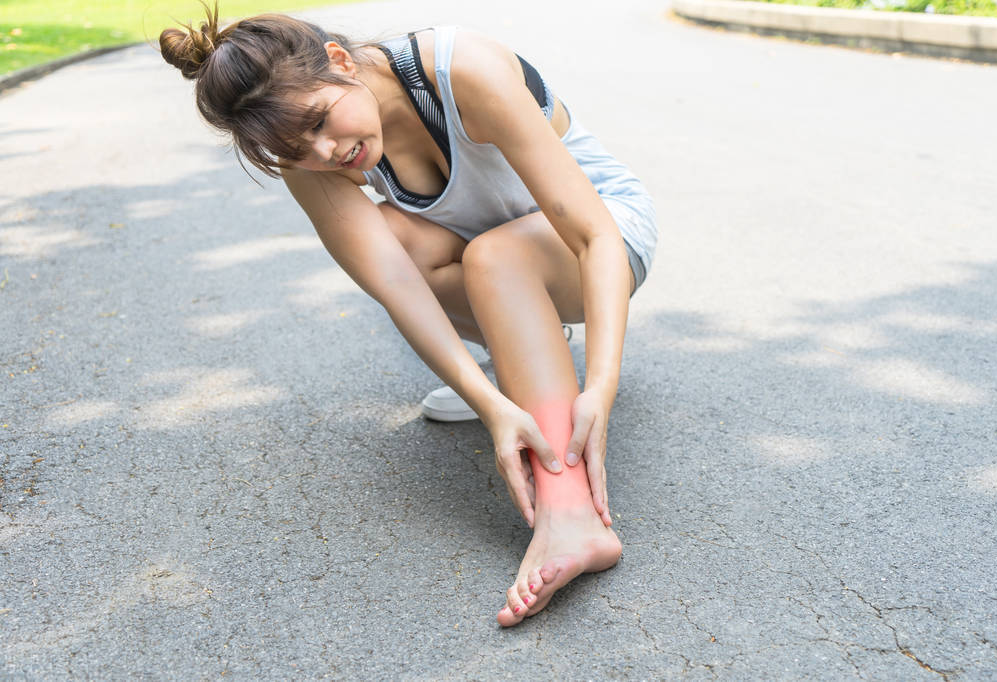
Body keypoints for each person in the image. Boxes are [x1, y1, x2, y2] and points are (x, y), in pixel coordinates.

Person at [160, 2, 656, 627]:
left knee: (496, 259)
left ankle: (572, 518)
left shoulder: (461, 68)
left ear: (339, 61)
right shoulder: (308, 155)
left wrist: (602, 386)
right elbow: (398, 288)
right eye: (297, 146)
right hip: (496, 253)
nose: (325, 150)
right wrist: (491, 404)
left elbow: (594, 238)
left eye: (320, 120)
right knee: (419, 245)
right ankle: (526, 357)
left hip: (605, 237)